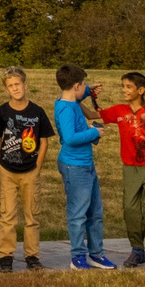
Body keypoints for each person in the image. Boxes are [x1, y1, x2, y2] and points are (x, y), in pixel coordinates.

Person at [53, 65, 115, 270]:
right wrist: (94, 133)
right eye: (83, 86)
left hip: (86, 164)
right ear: (75, 85)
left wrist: (89, 90)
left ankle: (96, 254)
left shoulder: (72, 100)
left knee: (95, 212)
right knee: (78, 213)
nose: (84, 89)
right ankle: (78, 257)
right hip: (74, 166)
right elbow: (70, 138)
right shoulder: (65, 109)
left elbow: (79, 95)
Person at [106, 71, 145, 268]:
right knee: (130, 210)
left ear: (140, 90)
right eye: (123, 86)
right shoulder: (119, 111)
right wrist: (80, 96)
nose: (124, 90)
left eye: (128, 87)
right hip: (130, 168)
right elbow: (93, 114)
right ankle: (137, 250)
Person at [0, 68, 51, 271]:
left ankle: (32, 255)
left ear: (25, 84)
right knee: (7, 215)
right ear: (6, 89)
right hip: (8, 169)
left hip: (30, 170)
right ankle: (6, 256)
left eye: (18, 84)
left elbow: (44, 141)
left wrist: (38, 166)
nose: (15, 88)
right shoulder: (2, 112)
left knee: (32, 215)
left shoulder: (37, 112)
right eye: (11, 86)